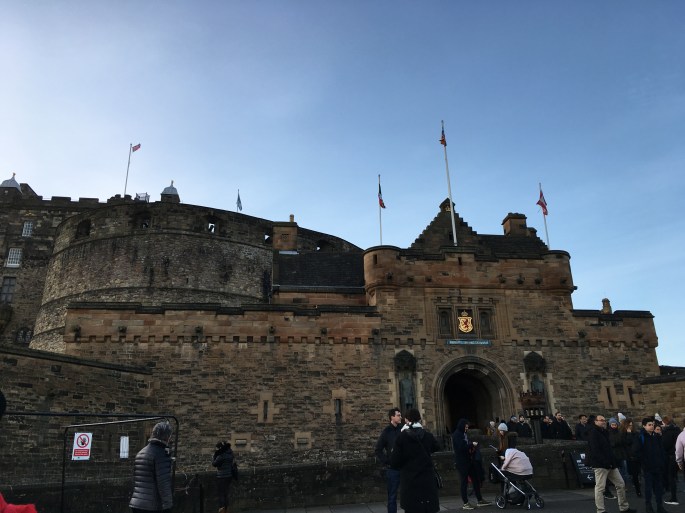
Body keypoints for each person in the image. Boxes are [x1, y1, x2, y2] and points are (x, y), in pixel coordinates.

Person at [389, 408, 440, 513]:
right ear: (419, 419)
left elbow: (394, 462)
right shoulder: (428, 436)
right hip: (427, 482)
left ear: (407, 420)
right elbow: (437, 447)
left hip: (410, 482)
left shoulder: (401, 437)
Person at [587, 414, 635, 513]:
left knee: (620, 484)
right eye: (601, 420)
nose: (603, 422)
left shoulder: (604, 432)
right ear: (595, 421)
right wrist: (605, 462)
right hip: (600, 464)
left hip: (610, 463)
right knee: (600, 488)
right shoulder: (593, 433)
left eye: (604, 420)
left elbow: (609, 448)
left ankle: (624, 507)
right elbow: (595, 450)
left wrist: (612, 462)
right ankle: (601, 510)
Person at [129, 421, 174, 513]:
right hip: (152, 506)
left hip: (136, 503)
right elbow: (163, 483)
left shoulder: (141, 452)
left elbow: (136, 479)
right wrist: (168, 506)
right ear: (167, 437)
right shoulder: (161, 454)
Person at [452, 418, 492, 510]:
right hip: (462, 462)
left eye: (467, 427)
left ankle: (480, 500)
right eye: (466, 427)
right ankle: (465, 503)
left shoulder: (463, 434)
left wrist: (471, 445)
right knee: (464, 482)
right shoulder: (457, 435)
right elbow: (461, 447)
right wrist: (471, 444)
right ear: (462, 426)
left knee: (475, 479)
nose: (467, 428)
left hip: (469, 461)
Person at [633, 416, 668, 513]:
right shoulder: (640, 437)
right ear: (644, 426)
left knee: (659, 489)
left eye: (652, 424)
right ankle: (648, 506)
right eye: (649, 425)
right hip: (648, 468)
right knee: (648, 488)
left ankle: (660, 507)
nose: (652, 426)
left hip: (658, 467)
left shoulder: (657, 436)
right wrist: (645, 462)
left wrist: (662, 462)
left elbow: (661, 450)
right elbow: (636, 452)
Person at [375, 407, 403, 513]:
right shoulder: (386, 432)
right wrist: (387, 461)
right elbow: (378, 450)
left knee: (409, 494)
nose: (401, 417)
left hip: (405, 468)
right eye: (398, 415)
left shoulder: (403, 430)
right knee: (392, 497)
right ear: (392, 417)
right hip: (393, 469)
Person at [660, 416, 680, 506]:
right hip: (679, 455)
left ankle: (673, 498)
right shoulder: (678, 430)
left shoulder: (667, 432)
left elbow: (665, 445)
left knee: (671, 477)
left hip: (671, 457)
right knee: (675, 476)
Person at [620, 418, 642, 497]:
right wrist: (629, 433)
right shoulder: (623, 435)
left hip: (636, 456)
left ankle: (638, 490)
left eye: (631, 425)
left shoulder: (636, 434)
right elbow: (627, 442)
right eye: (629, 426)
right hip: (629, 457)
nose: (630, 427)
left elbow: (638, 444)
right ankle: (636, 490)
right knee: (631, 474)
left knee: (637, 474)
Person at [212, 441, 235, 513]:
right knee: (226, 493)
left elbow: (214, 464)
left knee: (221, 493)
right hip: (229, 476)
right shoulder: (230, 453)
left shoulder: (221, 455)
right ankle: (226, 509)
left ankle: (222, 509)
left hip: (221, 476)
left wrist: (214, 456)